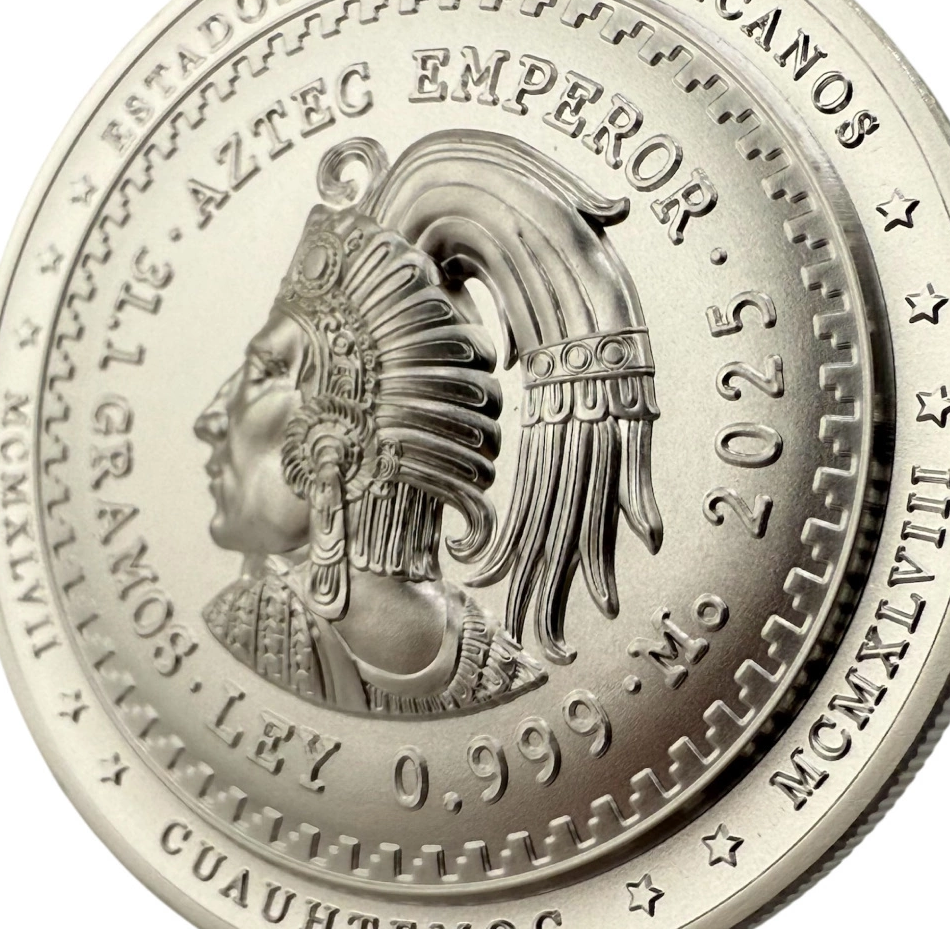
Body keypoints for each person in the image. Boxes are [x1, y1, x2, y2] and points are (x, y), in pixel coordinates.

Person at [195, 131, 662, 716]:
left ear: (338, 437)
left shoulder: (252, 633)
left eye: (265, 370)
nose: (209, 418)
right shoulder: (499, 675)